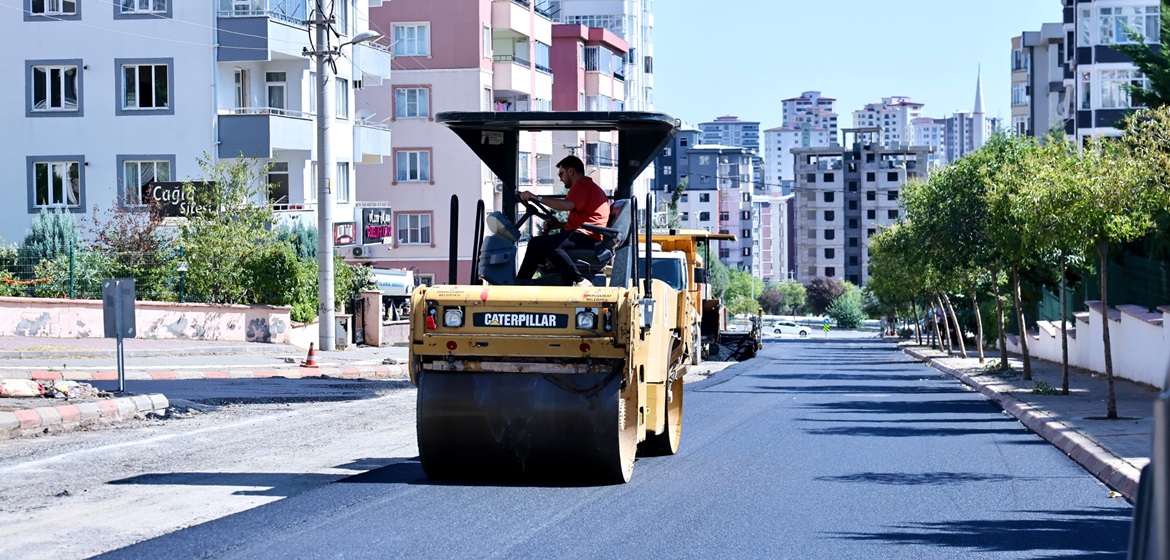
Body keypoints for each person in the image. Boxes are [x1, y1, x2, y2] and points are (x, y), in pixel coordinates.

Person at [516, 155, 610, 287]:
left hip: (588, 236)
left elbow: (567, 205)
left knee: (549, 245)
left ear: (570, 171)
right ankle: (521, 282)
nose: (560, 178)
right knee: (535, 242)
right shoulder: (585, 186)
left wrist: (537, 198)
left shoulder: (582, 185)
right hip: (584, 233)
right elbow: (584, 218)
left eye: (561, 174)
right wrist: (559, 225)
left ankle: (579, 280)